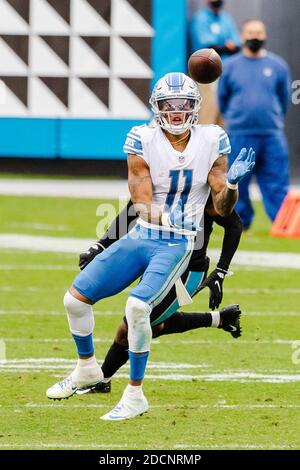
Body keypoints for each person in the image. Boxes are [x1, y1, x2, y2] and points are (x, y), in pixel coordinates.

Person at [46, 71, 255, 421]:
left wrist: (231, 184)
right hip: (145, 233)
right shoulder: (141, 138)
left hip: (181, 244)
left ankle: (135, 394)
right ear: (156, 108)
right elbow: (139, 202)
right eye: (169, 106)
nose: (176, 112)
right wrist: (147, 225)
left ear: (195, 107)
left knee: (138, 311)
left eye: (184, 105)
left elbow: (223, 211)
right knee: (74, 300)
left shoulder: (212, 139)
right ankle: (86, 368)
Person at [76, 197, 243, 395]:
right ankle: (220, 319)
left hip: (187, 270)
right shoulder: (156, 177)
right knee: (148, 323)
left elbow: (234, 224)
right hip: (158, 263)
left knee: (132, 325)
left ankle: (103, 380)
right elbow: (133, 209)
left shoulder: (200, 185)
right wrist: (101, 245)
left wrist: (221, 271)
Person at [218, 19, 291, 230]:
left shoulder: (278, 66)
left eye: (258, 32)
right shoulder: (230, 67)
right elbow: (223, 99)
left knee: (276, 182)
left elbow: (283, 97)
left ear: (265, 35)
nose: (254, 36)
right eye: (250, 32)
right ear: (242, 36)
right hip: (240, 133)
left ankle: (282, 225)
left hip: (271, 134)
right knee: (237, 182)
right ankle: (241, 224)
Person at [189, 0, 240, 124]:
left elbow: (237, 45)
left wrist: (224, 48)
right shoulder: (200, 19)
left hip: (226, 74)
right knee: (207, 117)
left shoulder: (226, 19)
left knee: (223, 120)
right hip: (207, 75)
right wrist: (226, 47)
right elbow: (208, 48)